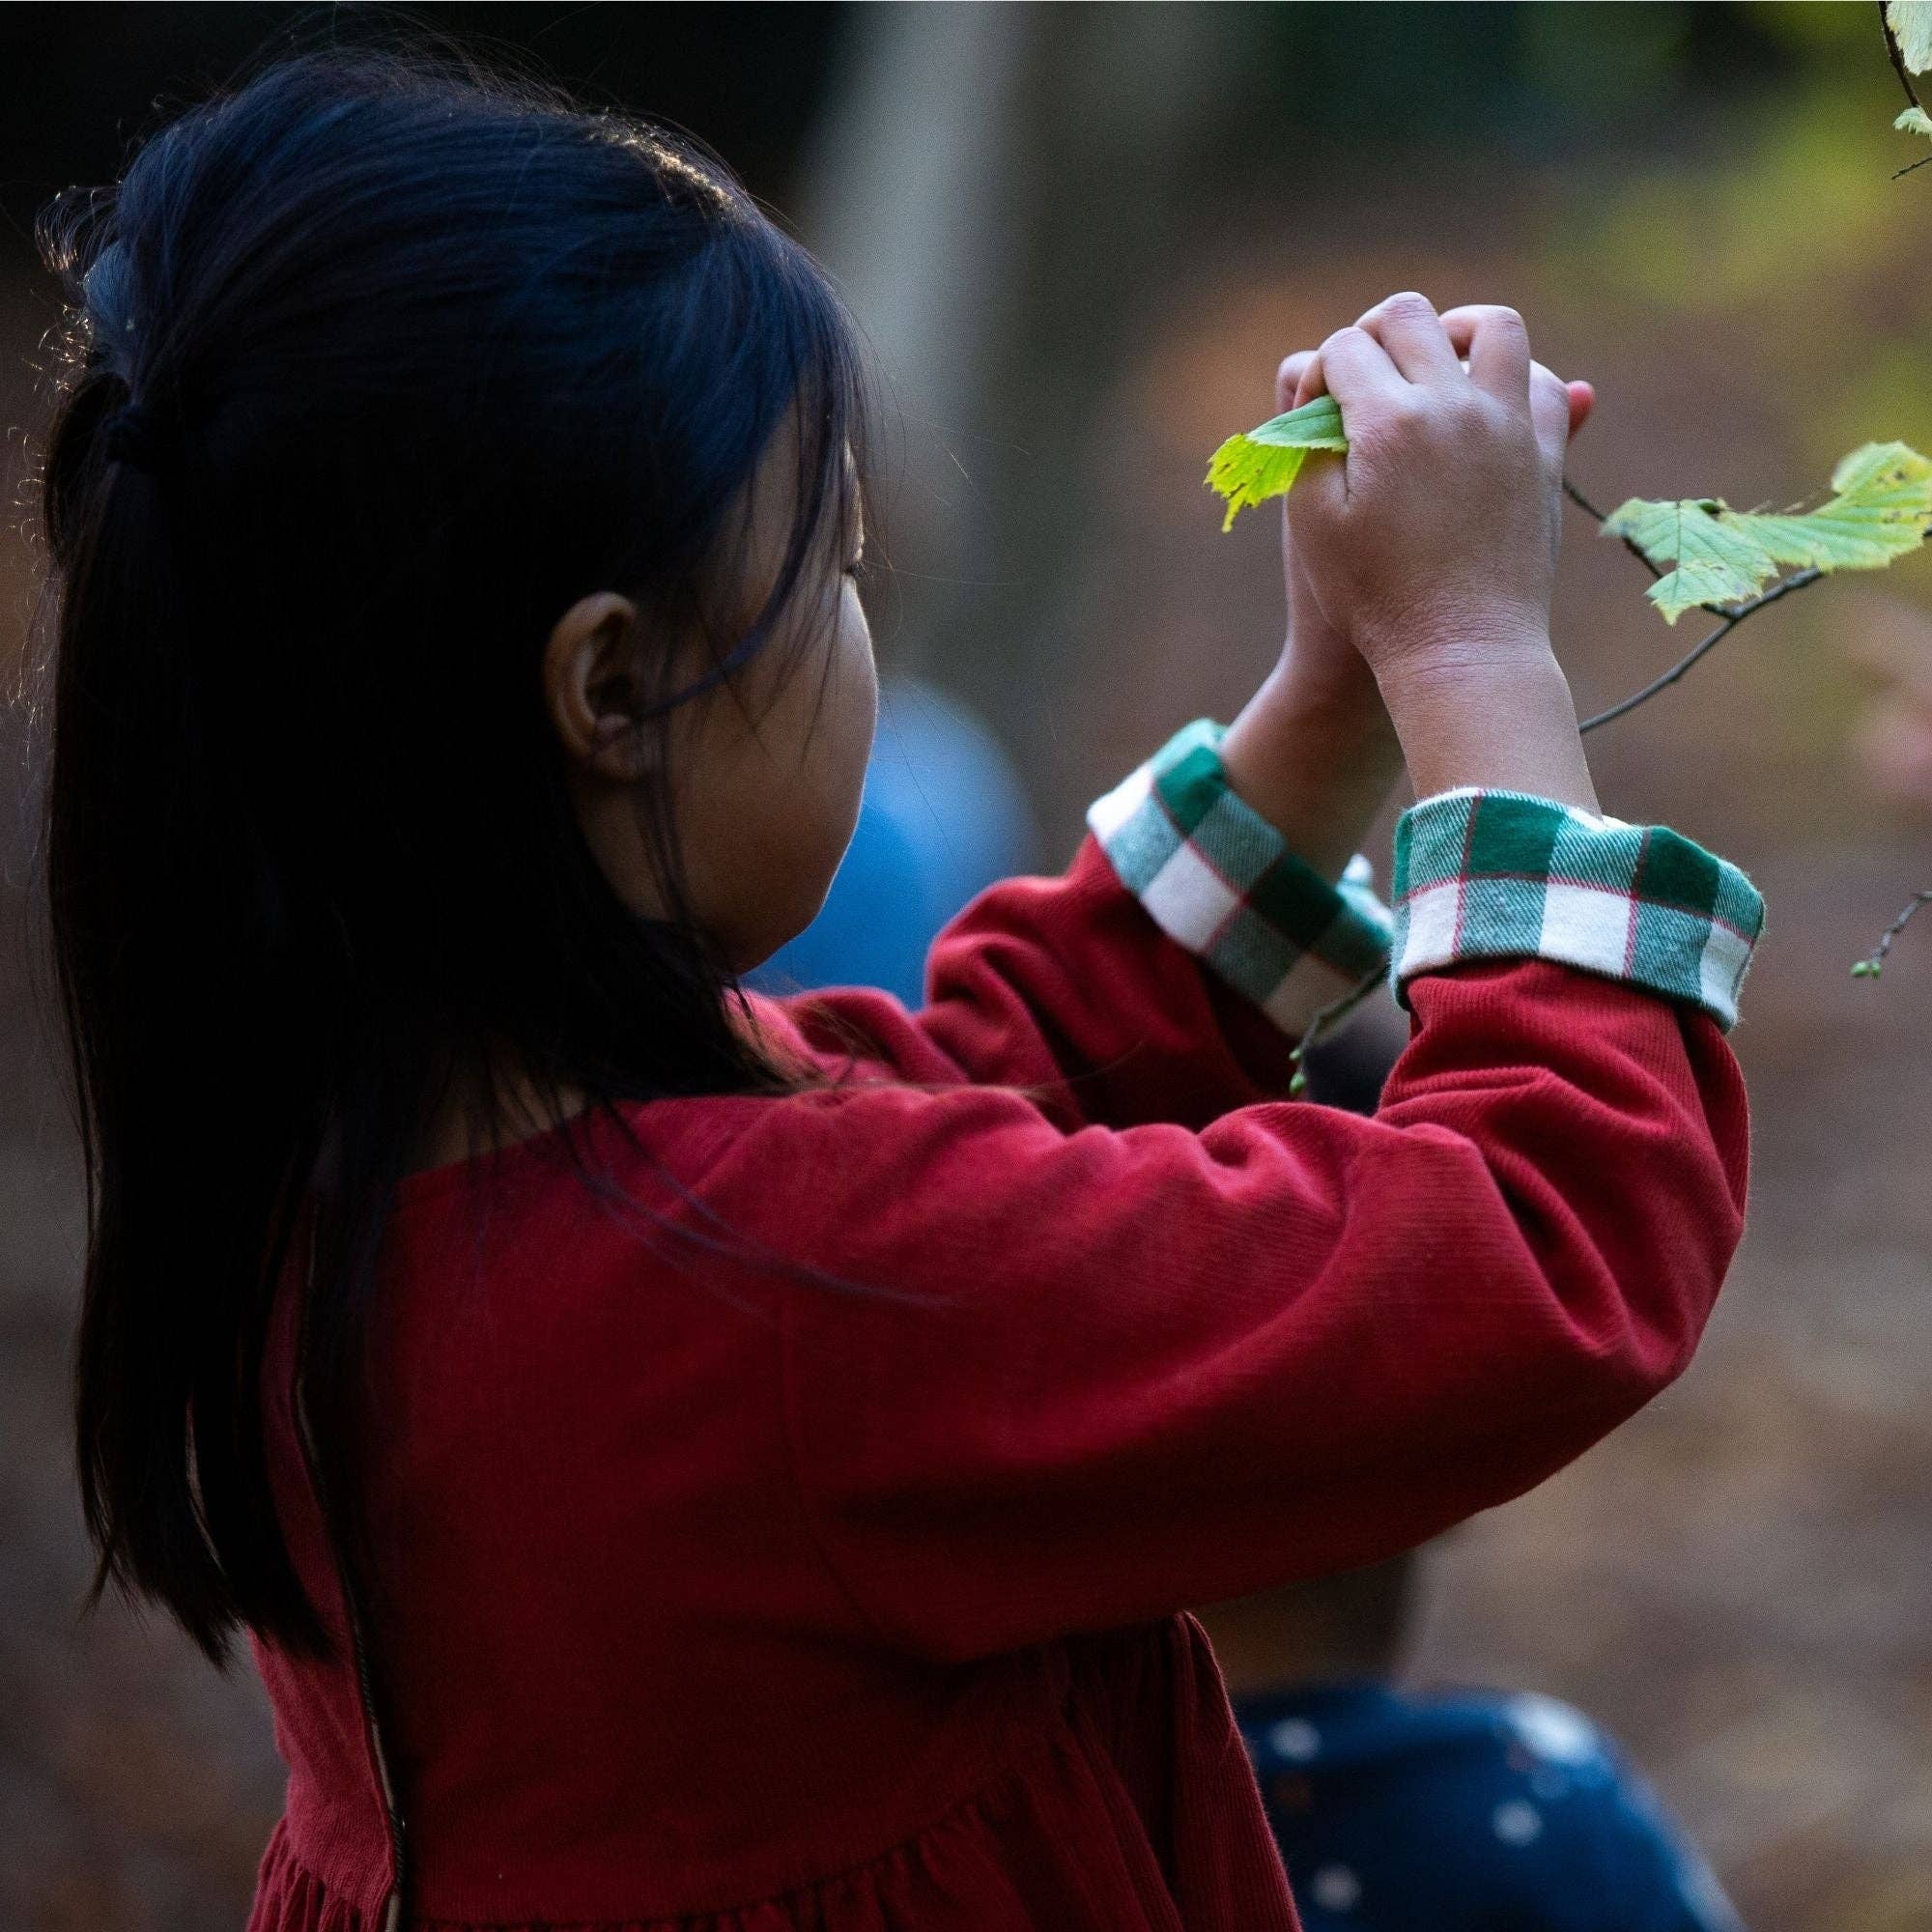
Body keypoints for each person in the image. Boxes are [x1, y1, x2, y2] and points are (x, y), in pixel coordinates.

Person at [37, 48, 1761, 1932]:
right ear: (611, 692)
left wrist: (1329, 708)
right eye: (834, 565)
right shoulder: (788, 1302)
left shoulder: (355, 1184)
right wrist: (1471, 651)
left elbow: (979, 1087)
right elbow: (1531, 1244)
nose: (862, 621)